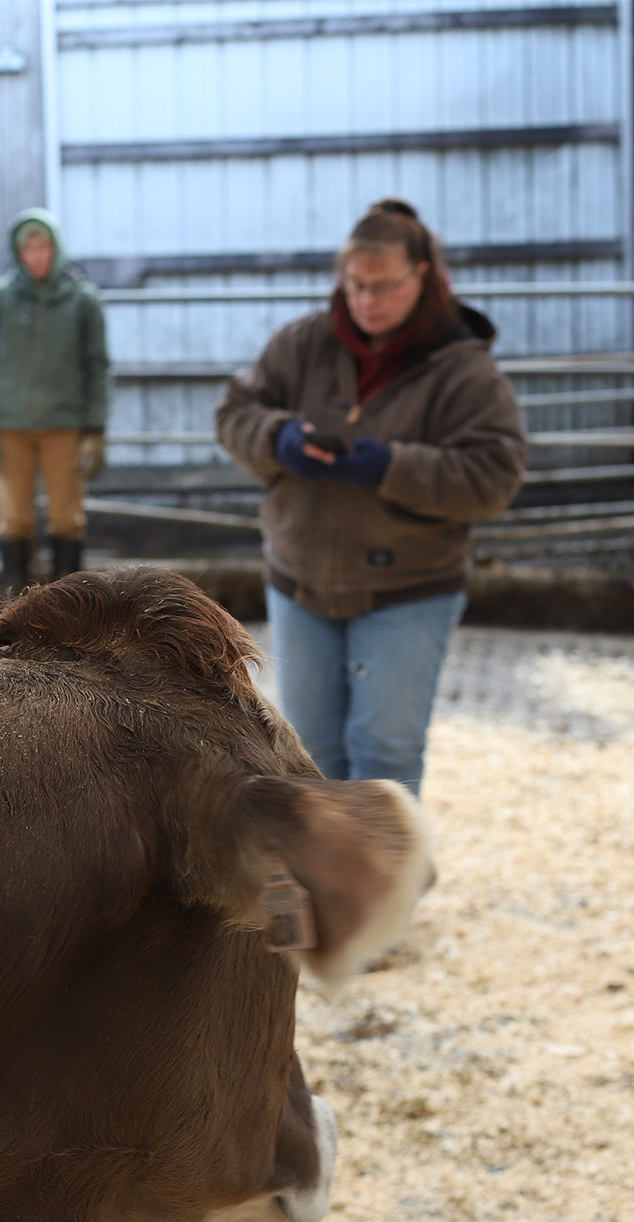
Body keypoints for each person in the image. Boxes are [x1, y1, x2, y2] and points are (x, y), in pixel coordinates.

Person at [215, 199, 527, 794]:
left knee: (385, 753)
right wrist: (277, 438)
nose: (366, 301)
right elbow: (234, 411)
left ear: (423, 277)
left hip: (408, 591)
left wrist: (391, 466)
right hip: (301, 582)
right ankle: (327, 889)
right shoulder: (304, 342)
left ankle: (386, 889)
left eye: (383, 287)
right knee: (307, 752)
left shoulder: (463, 370)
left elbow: (495, 473)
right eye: (355, 285)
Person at [0, 208, 111, 595]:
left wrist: (95, 429)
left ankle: (68, 608)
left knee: (66, 518)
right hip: (9, 424)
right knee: (14, 519)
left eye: (43, 247)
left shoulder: (82, 301)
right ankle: (15, 604)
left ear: (55, 249)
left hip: (65, 425)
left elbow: (98, 367)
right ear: (18, 253)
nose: (36, 256)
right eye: (28, 249)